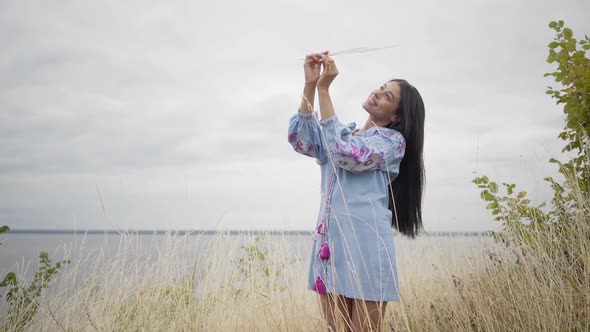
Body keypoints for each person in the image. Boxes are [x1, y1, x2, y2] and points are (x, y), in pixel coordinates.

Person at [288, 51, 426, 331]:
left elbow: (345, 154)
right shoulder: (342, 134)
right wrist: (311, 86)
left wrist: (326, 90)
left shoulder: (391, 142)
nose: (377, 93)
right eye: (381, 88)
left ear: (397, 116)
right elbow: (300, 140)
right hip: (331, 245)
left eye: (387, 96)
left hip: (366, 248)